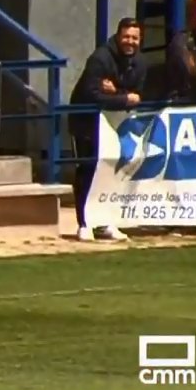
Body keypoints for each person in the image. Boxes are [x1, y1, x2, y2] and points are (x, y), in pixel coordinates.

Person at [69, 17, 146, 242]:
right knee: (88, 169)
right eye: (126, 37)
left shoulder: (141, 62)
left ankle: (106, 221)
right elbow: (93, 95)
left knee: (113, 169)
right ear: (118, 36)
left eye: (134, 37)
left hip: (114, 124)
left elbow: (137, 95)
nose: (130, 41)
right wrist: (123, 97)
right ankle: (84, 223)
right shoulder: (100, 58)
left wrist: (116, 92)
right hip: (86, 121)